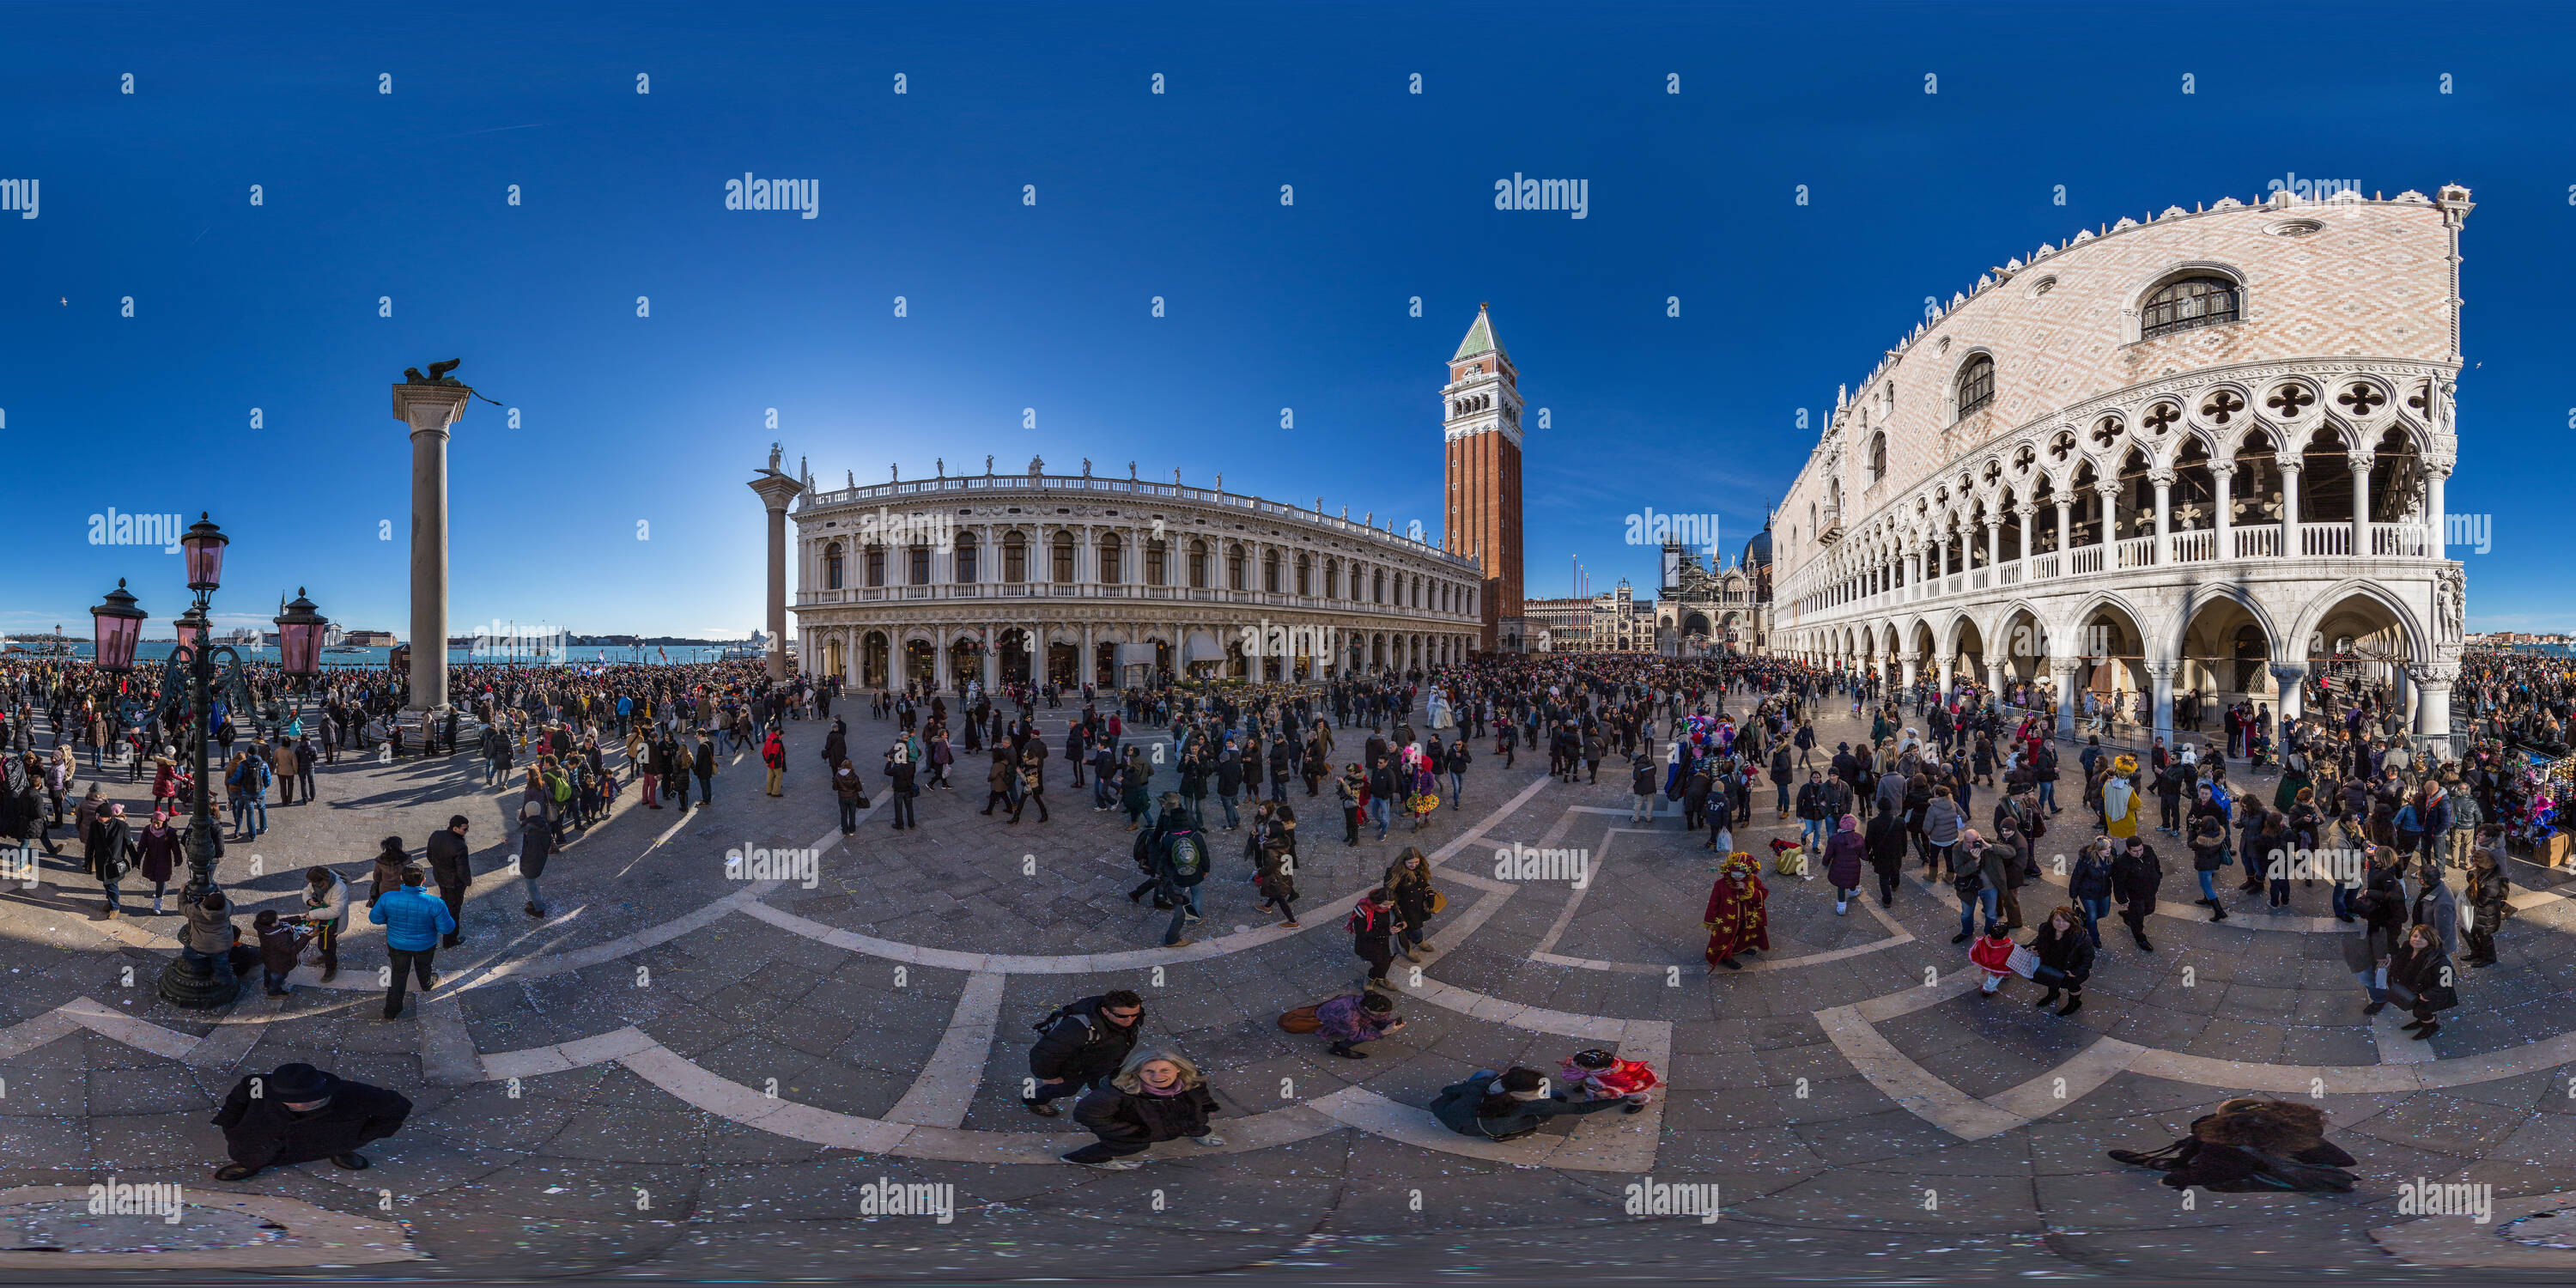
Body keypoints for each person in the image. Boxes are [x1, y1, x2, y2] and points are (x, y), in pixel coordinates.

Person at [210, 1062, 415, 1182]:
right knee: (253, 1153)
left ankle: (340, 1152)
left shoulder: (357, 1095)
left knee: (332, 1146)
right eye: (293, 1100)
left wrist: (364, 1136)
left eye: (310, 1098)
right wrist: (231, 1123)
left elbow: (398, 1107)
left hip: (330, 1139)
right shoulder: (257, 1085)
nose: (301, 1105)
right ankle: (250, 1164)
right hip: (262, 1136)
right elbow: (237, 1101)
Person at [2107, 1098, 2358, 1193]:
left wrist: (2175, 1179)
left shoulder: (2227, 1146)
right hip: (2307, 1159)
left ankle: (2334, 1185)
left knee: (2307, 1180)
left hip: (2274, 1168)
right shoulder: (2292, 1123)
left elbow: (2215, 1172)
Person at [1062, 1048, 1223, 1170]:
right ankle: (1088, 1159)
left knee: (1196, 1124)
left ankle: (1199, 1132)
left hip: (1185, 1121)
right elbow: (1086, 1114)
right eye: (1149, 1071)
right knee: (1131, 1146)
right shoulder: (1116, 1093)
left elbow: (1201, 1095)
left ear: (1178, 1069)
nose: (1158, 1077)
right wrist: (1131, 1132)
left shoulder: (1191, 1079)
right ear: (1136, 1072)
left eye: (1165, 1070)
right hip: (1140, 1132)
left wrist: (1203, 1110)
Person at [1023, 989, 1145, 1117]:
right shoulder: (1077, 1028)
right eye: (1122, 1016)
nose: (1130, 1020)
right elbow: (1045, 1053)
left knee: (1104, 1087)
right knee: (1064, 1089)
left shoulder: (1128, 1014)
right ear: (1105, 1011)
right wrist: (1049, 1076)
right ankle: (1032, 1100)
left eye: (1134, 1015)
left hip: (1104, 1063)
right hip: (1076, 1068)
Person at [1429, 1066, 1631, 1142]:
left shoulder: (1484, 1085)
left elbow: (1447, 1091)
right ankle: (1512, 1132)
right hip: (1487, 1127)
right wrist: (1625, 1096)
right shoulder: (1538, 1104)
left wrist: (1470, 1089)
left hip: (1452, 1117)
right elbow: (1582, 1108)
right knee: (1558, 1095)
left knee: (1485, 1072)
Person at [367, 868, 454, 1020]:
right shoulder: (435, 903)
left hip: (397, 944)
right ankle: (426, 983)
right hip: (425, 945)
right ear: (424, 880)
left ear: (401, 878)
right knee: (424, 966)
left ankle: (391, 1010)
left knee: (398, 974)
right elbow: (447, 928)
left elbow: (375, 918)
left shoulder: (388, 898)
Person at [2387, 920, 2457, 1041]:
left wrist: (2426, 995)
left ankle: (2431, 1026)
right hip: (2414, 989)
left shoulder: (2440, 960)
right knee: (2417, 1010)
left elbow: (2446, 984)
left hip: (2428, 993)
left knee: (2421, 1011)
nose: (2417, 939)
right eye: (2415, 936)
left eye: (2423, 938)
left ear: (2431, 940)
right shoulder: (2407, 948)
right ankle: (2422, 1022)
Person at [1702, 853, 1770, 971]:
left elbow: (1763, 893)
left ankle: (1741, 947)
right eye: (1735, 873)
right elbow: (1713, 903)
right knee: (1726, 938)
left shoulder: (1753, 880)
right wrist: (1711, 920)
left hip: (1747, 917)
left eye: (1741, 874)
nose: (1737, 876)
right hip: (1727, 921)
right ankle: (1727, 957)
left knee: (1745, 933)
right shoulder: (1720, 885)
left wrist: (1749, 890)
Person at [2030, 905, 2094, 1016]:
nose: (2061, 924)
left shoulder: (2081, 938)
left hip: (2070, 968)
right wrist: (2034, 946)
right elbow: (2039, 939)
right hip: (2051, 962)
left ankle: (2074, 1003)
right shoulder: (2046, 928)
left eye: (2065, 921)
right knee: (2051, 979)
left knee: (2072, 986)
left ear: (2071, 921)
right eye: (2057, 920)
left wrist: (2076, 971)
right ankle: (2053, 994)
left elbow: (2088, 958)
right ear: (2051, 920)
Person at [293, 866, 349, 981]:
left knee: (328, 945)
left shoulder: (339, 888)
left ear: (322, 881)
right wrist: (309, 900)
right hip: (321, 917)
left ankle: (331, 967)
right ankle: (326, 956)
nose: (311, 884)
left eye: (313, 882)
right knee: (323, 944)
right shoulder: (316, 882)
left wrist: (313, 915)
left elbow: (336, 910)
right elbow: (307, 891)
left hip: (334, 922)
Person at [1559, 1048, 1657, 1114]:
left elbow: (1630, 1086)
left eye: (1579, 1065)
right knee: (1589, 1081)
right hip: (1597, 1079)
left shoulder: (1618, 1076)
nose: (1577, 1066)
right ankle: (1587, 1088)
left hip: (1628, 1086)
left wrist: (1610, 1092)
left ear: (1592, 1067)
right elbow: (1579, 1065)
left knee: (1634, 1094)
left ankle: (1636, 1103)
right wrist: (1570, 1064)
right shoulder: (1600, 1065)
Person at [1383, 847, 1440, 958]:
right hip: (1404, 909)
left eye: (1416, 862)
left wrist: (1430, 893)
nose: (1414, 865)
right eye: (1410, 863)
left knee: (1414, 927)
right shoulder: (1394, 873)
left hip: (1418, 905)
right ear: (1403, 861)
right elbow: (1390, 895)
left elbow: (1424, 884)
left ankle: (1417, 941)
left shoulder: (1421, 869)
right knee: (1412, 930)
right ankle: (1412, 947)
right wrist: (1398, 914)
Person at [426, 815, 472, 949]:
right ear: (455, 828)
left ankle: (439, 922)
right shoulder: (460, 846)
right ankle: (450, 939)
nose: (467, 831)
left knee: (445, 901)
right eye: (465, 829)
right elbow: (463, 870)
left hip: (440, 877)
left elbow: (429, 855)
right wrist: (467, 882)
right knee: (454, 910)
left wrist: (438, 867)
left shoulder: (436, 835)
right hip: (454, 883)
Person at [1314, 990, 1404, 1059]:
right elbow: (1356, 1035)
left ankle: (1380, 1024)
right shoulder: (1348, 1016)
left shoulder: (1371, 999)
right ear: (1366, 1008)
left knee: (1375, 1023)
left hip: (1350, 1017)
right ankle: (1339, 1049)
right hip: (1328, 1023)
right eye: (1380, 1014)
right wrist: (1382, 1033)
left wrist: (1388, 1023)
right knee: (1362, 1036)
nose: (1384, 1015)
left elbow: (1378, 1015)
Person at [2111, 835, 2162, 952]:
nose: (2139, 853)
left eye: (2140, 850)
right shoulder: (2122, 863)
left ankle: (2129, 916)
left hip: (2150, 890)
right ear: (2128, 850)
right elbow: (2118, 883)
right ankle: (2140, 938)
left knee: (2150, 909)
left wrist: (2158, 876)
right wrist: (2123, 900)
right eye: (2135, 851)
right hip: (2135, 895)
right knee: (2138, 919)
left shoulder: (2148, 850)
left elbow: (2156, 863)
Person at [1348, 888, 1404, 990]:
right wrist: (1387, 932)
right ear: (1376, 901)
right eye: (1385, 905)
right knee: (1380, 963)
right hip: (1373, 943)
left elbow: (1397, 913)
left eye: (1391, 904)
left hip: (1391, 941)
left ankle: (1381, 977)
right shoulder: (1363, 911)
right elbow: (1362, 933)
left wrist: (1401, 922)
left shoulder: (1391, 905)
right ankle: (1371, 978)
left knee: (1389, 960)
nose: (1389, 907)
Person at [88, 801, 136, 919]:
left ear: (109, 817)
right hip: (100, 861)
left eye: (101, 816)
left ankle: (115, 907)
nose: (98, 818)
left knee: (112, 885)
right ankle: (111, 902)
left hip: (114, 862)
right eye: (97, 816)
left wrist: (135, 859)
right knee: (107, 884)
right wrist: (88, 861)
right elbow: (90, 844)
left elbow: (129, 844)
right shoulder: (94, 825)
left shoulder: (122, 826)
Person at [2464, 848, 2512, 967]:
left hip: (2487, 916)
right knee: (2472, 932)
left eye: (2474, 862)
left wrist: (2468, 896)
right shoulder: (2484, 874)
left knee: (2485, 937)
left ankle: (2489, 958)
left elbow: (2481, 901)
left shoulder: (2491, 882)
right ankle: (2478, 953)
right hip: (2480, 913)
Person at [252, 908, 313, 996]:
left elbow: (281, 922)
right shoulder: (278, 938)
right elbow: (292, 949)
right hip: (280, 963)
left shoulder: (264, 928)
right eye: (277, 919)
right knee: (277, 978)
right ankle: (273, 992)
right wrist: (305, 937)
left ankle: (267, 984)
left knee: (268, 971)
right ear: (273, 924)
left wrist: (298, 919)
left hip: (268, 957)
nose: (279, 919)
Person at [1823, 813, 1865, 914]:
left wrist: (1825, 862)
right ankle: (1853, 891)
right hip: (1854, 866)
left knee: (1841, 885)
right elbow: (1864, 855)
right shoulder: (1859, 838)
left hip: (1839, 866)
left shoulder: (1835, 838)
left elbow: (1828, 853)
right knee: (1852, 879)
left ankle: (1841, 906)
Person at [831, 758, 867, 835]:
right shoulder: (854, 776)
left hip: (842, 797)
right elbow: (859, 788)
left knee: (843, 814)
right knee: (852, 814)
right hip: (852, 797)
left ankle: (844, 830)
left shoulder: (837, 775)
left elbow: (834, 788)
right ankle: (852, 830)